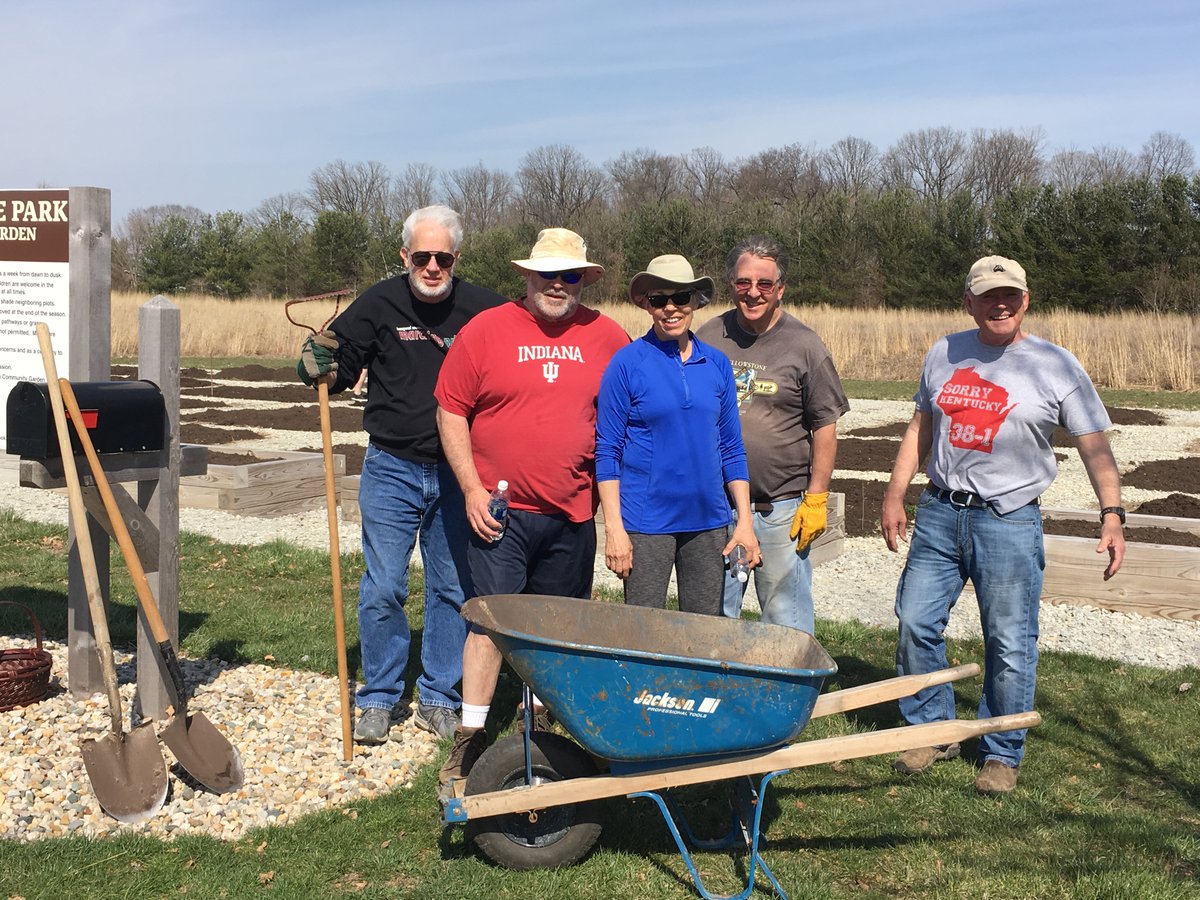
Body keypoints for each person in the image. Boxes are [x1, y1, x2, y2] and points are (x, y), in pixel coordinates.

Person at [880, 254, 1126, 794]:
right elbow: (921, 426)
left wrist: (1112, 514)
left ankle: (1001, 750)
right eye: (988, 296)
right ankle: (932, 728)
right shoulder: (944, 352)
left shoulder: (1055, 364)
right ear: (968, 302)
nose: (1000, 304)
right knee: (915, 621)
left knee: (1010, 641)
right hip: (941, 513)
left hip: (1009, 519)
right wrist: (896, 493)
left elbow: (1094, 446)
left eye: (1009, 295)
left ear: (1025, 300)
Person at [296, 205, 505, 745]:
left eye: (442, 257)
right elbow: (336, 363)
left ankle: (438, 695)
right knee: (384, 585)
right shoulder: (379, 303)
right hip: (391, 467)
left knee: (451, 586)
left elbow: (518, 364)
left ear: (456, 258)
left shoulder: (485, 310)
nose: (431, 266)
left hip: (460, 472)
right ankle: (380, 695)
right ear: (404, 255)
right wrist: (317, 364)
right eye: (421, 256)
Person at [433, 227, 629, 786]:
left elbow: (633, 409)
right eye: (549, 275)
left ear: (583, 281)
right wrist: (470, 487)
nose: (558, 286)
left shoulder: (607, 336)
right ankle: (469, 742)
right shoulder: (487, 330)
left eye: (570, 276)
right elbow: (451, 410)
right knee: (490, 623)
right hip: (500, 510)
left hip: (572, 512)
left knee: (554, 628)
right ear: (528, 276)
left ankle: (536, 732)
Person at [696, 236, 848, 633]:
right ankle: (719, 692)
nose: (753, 292)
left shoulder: (805, 345)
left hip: (779, 508)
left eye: (764, 284)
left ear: (780, 289)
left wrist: (816, 498)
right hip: (715, 506)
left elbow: (825, 426)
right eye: (743, 282)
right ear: (731, 285)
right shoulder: (710, 335)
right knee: (713, 617)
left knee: (785, 619)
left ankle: (787, 691)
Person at [595, 254, 760, 615]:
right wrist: (614, 530)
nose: (671, 308)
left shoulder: (716, 364)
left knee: (702, 632)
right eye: (659, 300)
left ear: (695, 302)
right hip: (646, 522)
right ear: (647, 305)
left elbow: (731, 447)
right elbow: (607, 451)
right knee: (643, 629)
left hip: (708, 521)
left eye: (681, 298)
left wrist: (744, 522)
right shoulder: (626, 364)